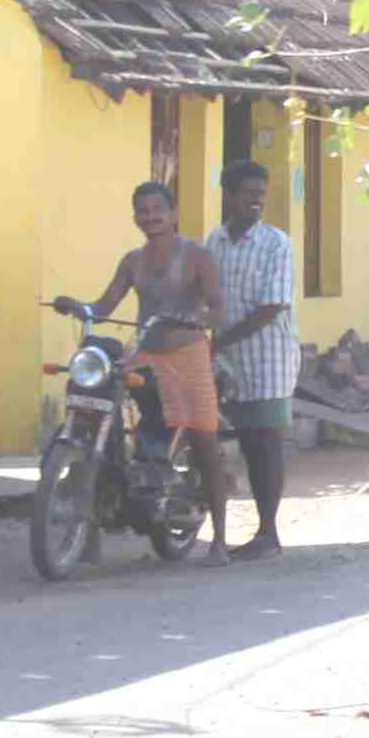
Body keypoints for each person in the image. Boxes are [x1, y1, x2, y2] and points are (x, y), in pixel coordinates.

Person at [79, 177, 223, 521]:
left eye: (158, 209)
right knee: (100, 396)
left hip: (188, 355)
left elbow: (218, 307)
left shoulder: (198, 256)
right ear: (135, 218)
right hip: (145, 354)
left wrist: (198, 317)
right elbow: (104, 306)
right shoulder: (132, 261)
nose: (151, 216)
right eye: (143, 211)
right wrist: (81, 309)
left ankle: (219, 536)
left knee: (204, 440)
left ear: (174, 214)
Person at [211, 149, 301, 557]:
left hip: (268, 358)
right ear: (227, 196)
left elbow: (272, 306)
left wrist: (220, 340)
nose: (256, 200)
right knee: (245, 441)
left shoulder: (276, 243)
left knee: (266, 443)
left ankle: (268, 534)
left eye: (261, 194)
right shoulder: (213, 242)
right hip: (228, 360)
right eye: (248, 193)